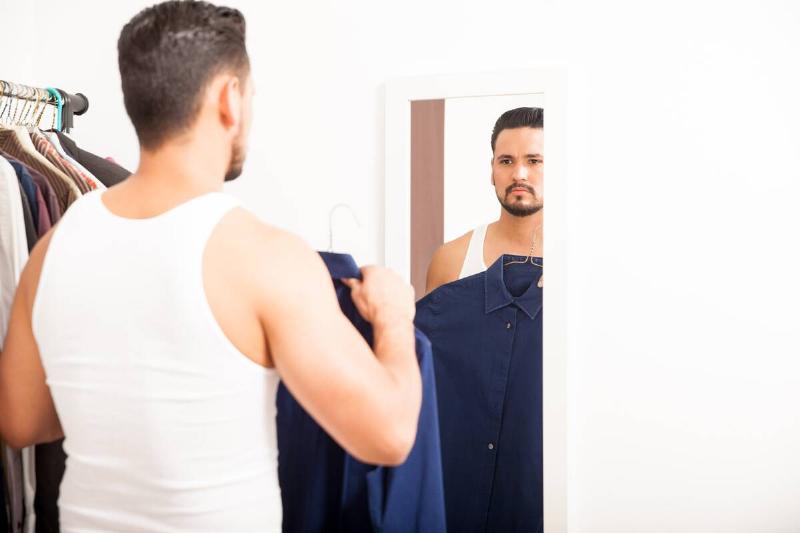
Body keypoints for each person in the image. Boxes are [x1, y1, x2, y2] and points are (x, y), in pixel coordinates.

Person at [0, 2, 421, 531]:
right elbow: (389, 434)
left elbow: (19, 421)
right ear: (230, 98)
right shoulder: (265, 257)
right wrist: (394, 316)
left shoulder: (52, 250)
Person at [426, 106, 544, 293]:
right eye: (506, 161)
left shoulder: (578, 259)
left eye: (534, 161)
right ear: (492, 169)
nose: (519, 174)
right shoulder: (451, 260)